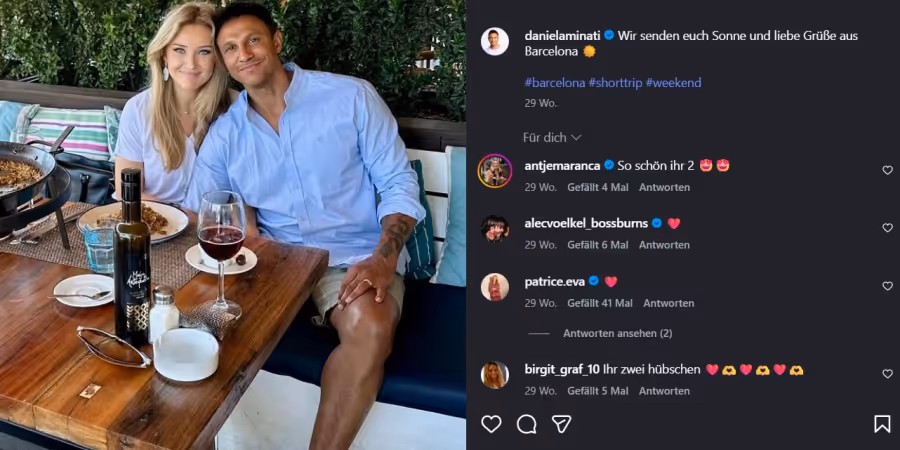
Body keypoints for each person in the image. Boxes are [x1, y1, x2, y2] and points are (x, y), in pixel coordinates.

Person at [182, 4, 425, 449]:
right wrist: (246, 230)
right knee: (180, 326)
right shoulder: (225, 135)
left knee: (371, 327)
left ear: (276, 41)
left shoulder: (350, 98)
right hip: (274, 265)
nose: (244, 54)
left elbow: (398, 183)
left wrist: (383, 257)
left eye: (253, 40)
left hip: (353, 256)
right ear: (224, 62)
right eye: (230, 48)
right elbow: (208, 208)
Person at [115, 2, 235, 205]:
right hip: (153, 220)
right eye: (179, 50)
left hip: (217, 223)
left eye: (204, 52)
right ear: (164, 55)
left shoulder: (237, 107)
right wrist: (180, 218)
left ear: (217, 57)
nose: (191, 64)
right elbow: (127, 192)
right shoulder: (138, 110)